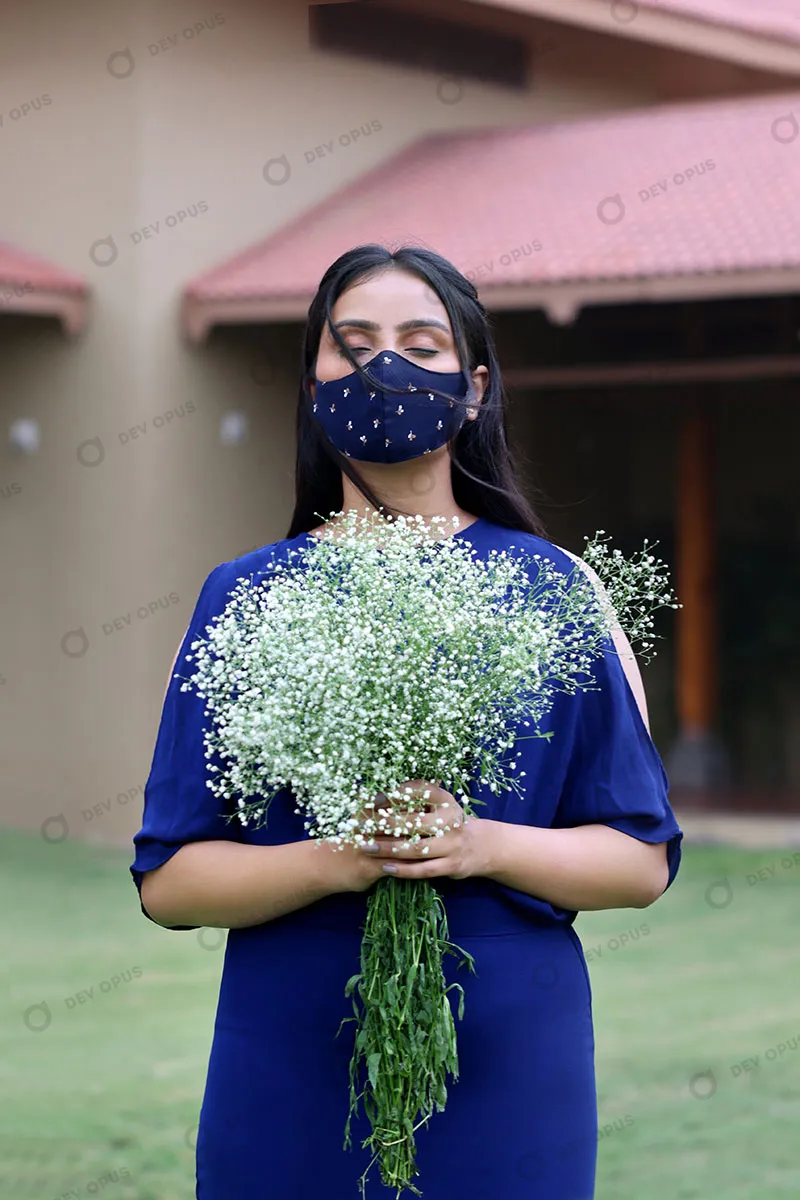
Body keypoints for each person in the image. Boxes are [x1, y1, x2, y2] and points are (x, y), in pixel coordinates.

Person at [130, 244, 683, 1200]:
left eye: (420, 345)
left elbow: (640, 862)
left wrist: (475, 845)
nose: (385, 368)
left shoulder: (554, 590)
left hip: (511, 1057)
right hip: (288, 1052)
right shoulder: (244, 598)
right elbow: (169, 881)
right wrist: (342, 859)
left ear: (473, 390)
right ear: (314, 383)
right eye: (354, 345)